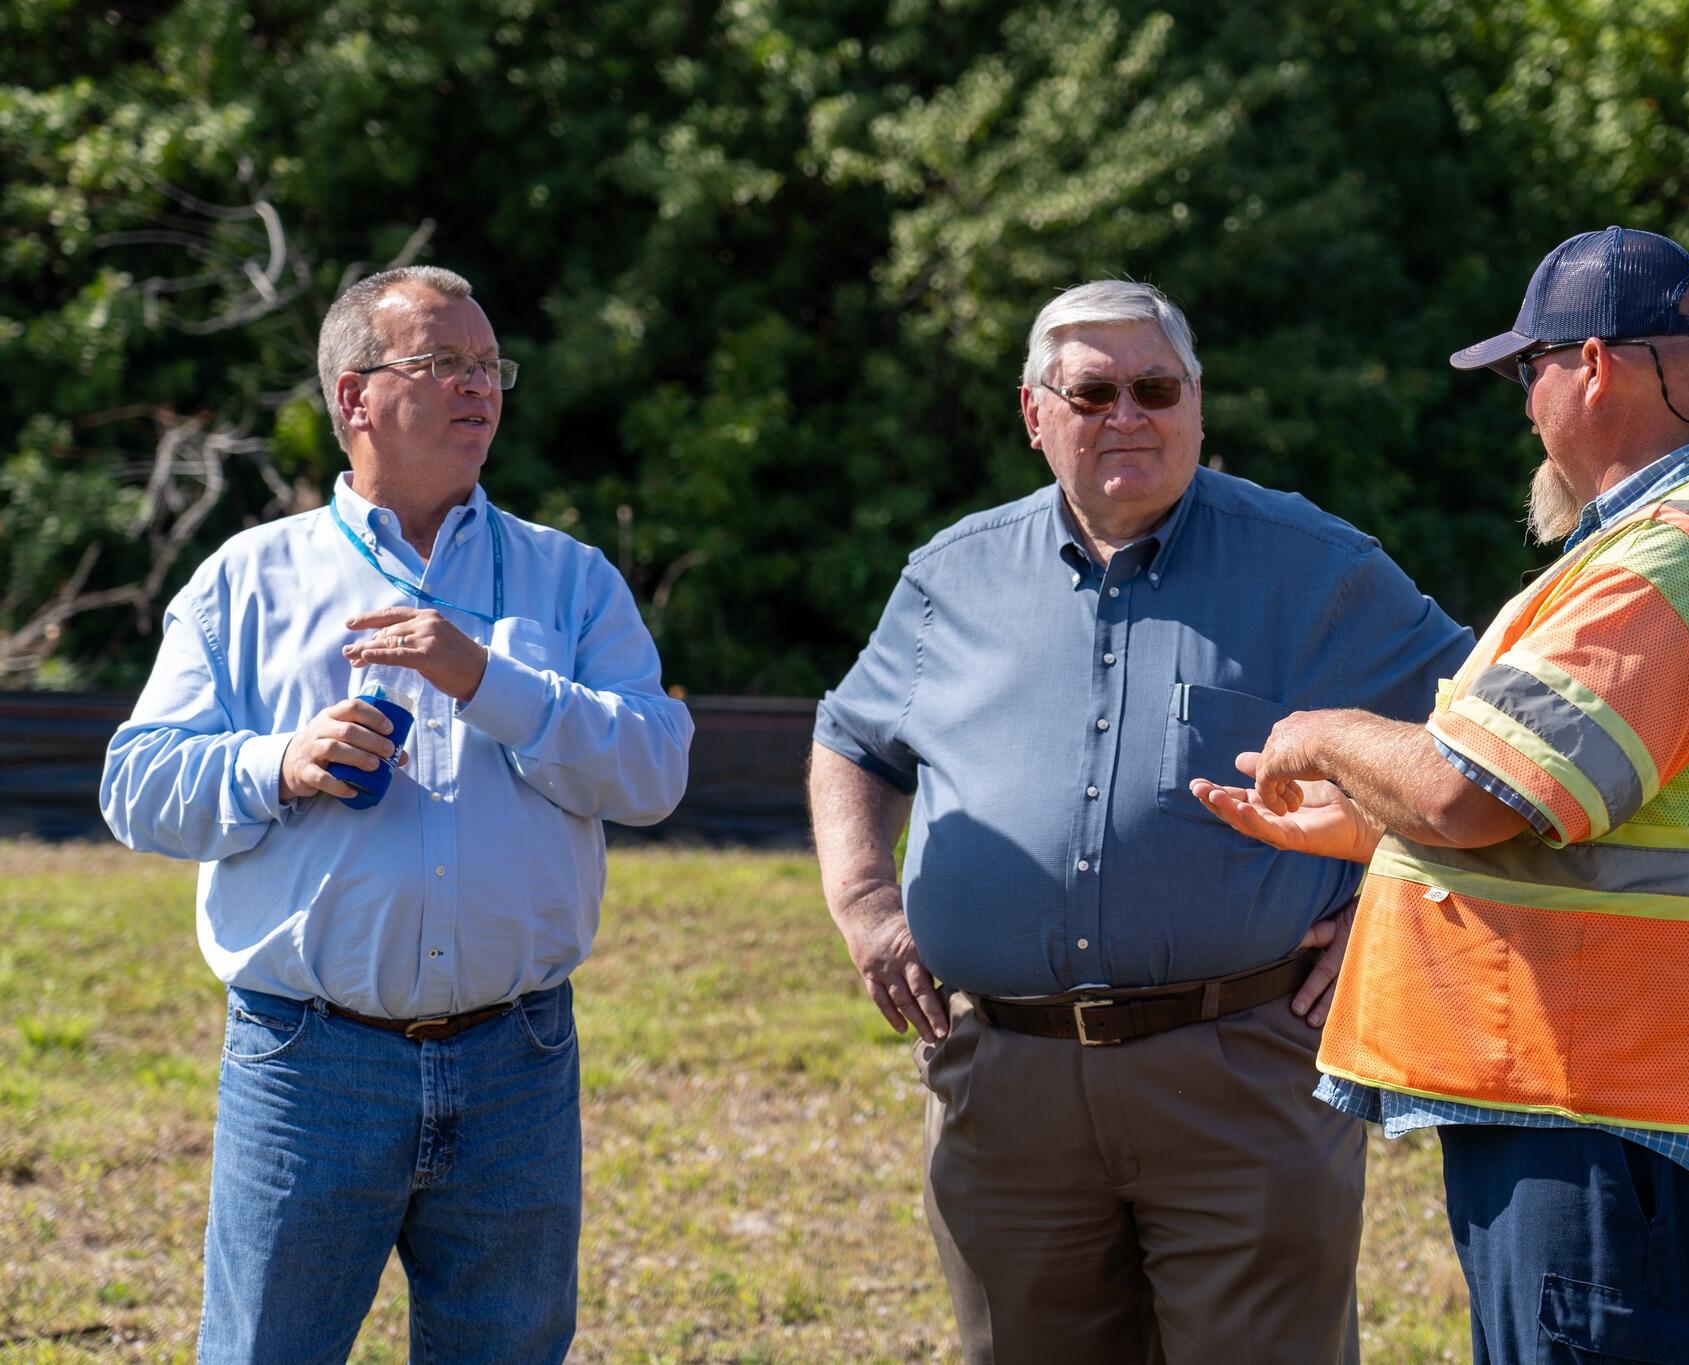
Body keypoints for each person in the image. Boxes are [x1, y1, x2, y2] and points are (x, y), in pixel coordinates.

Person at [810, 279, 1472, 1363]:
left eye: (1156, 388)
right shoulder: (950, 578)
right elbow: (851, 739)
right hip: (1003, 1087)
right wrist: (863, 899)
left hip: (1242, 1071)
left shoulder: (1315, 568)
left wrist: (1394, 895)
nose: (1129, 415)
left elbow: (1481, 737)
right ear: (1035, 415)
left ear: (1197, 406)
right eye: (1094, 392)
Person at [1194, 227, 1689, 1364]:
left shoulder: (1670, 555)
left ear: (1590, 367)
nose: (1522, 403)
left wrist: (1325, 734)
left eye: (1525, 371)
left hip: (1609, 1121)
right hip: (1617, 1109)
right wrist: (1374, 836)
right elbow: (1561, 813)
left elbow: (1464, 794)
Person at [100, 265, 693, 1363]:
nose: (480, 390)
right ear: (353, 398)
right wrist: (281, 761)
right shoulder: (247, 580)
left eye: (488, 367)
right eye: (443, 365)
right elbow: (136, 787)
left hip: (517, 1059)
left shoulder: (570, 580)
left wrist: (492, 683)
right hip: (307, 1065)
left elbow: (654, 770)